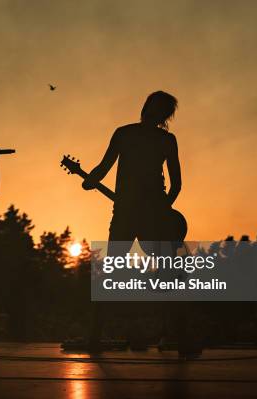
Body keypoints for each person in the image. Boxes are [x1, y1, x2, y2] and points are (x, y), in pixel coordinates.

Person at [81, 91, 194, 356]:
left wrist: (90, 180)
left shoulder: (124, 133)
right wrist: (161, 211)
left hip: (127, 214)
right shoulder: (165, 139)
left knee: (112, 273)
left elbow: (102, 168)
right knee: (168, 275)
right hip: (145, 214)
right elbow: (176, 184)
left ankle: (95, 338)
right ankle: (182, 339)